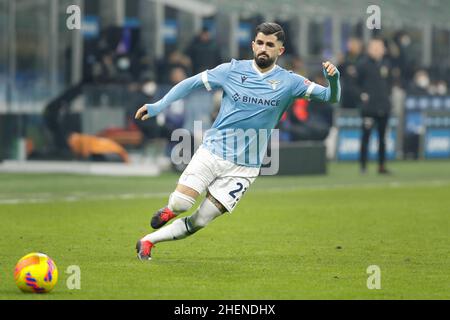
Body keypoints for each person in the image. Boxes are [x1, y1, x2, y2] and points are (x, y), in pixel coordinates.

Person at [134, 22, 341, 260]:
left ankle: (147, 241)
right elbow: (190, 82)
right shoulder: (231, 70)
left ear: (280, 51)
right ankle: (170, 209)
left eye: (270, 45)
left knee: (200, 220)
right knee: (181, 204)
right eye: (260, 43)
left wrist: (333, 80)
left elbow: (330, 97)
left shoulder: (290, 82)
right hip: (213, 152)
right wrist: (158, 105)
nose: (264, 48)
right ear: (253, 45)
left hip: (245, 168)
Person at [356, 38, 392, 174]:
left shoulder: (386, 64)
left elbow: (389, 83)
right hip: (368, 108)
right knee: (366, 137)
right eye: (375, 47)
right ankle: (363, 166)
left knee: (382, 139)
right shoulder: (362, 65)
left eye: (380, 47)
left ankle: (382, 166)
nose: (378, 50)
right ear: (369, 49)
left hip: (384, 106)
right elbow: (354, 84)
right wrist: (361, 95)